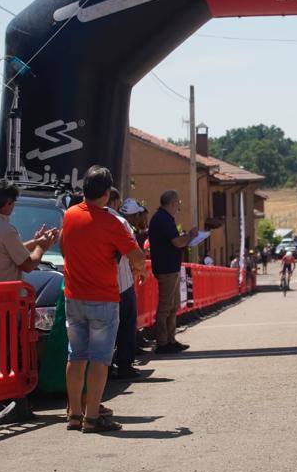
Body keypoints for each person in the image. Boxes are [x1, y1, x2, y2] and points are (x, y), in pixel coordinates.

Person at [61, 166, 146, 433]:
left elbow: (64, 245)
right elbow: (136, 256)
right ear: (108, 193)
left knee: (76, 356)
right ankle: (93, 417)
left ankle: (74, 414)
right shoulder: (111, 223)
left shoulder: (70, 215)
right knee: (100, 358)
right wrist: (141, 270)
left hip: (73, 296)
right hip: (103, 299)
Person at [0, 179, 58, 425]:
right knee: (11, 354)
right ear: (8, 203)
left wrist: (36, 242)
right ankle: (14, 402)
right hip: (7, 302)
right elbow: (28, 264)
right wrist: (42, 246)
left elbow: (12, 250)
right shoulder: (5, 229)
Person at [148, 190, 198, 354]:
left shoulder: (163, 218)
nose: (179, 207)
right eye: (178, 203)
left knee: (172, 306)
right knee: (165, 307)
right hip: (166, 268)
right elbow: (176, 243)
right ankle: (163, 342)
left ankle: (170, 339)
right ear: (172, 203)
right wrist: (190, 237)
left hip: (170, 267)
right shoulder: (163, 219)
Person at [106, 188, 141, 381]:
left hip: (100, 285)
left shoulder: (84, 219)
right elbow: (133, 251)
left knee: (107, 330)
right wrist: (140, 268)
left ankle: (106, 367)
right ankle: (125, 365)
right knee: (126, 326)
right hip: (123, 282)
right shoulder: (121, 222)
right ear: (115, 202)